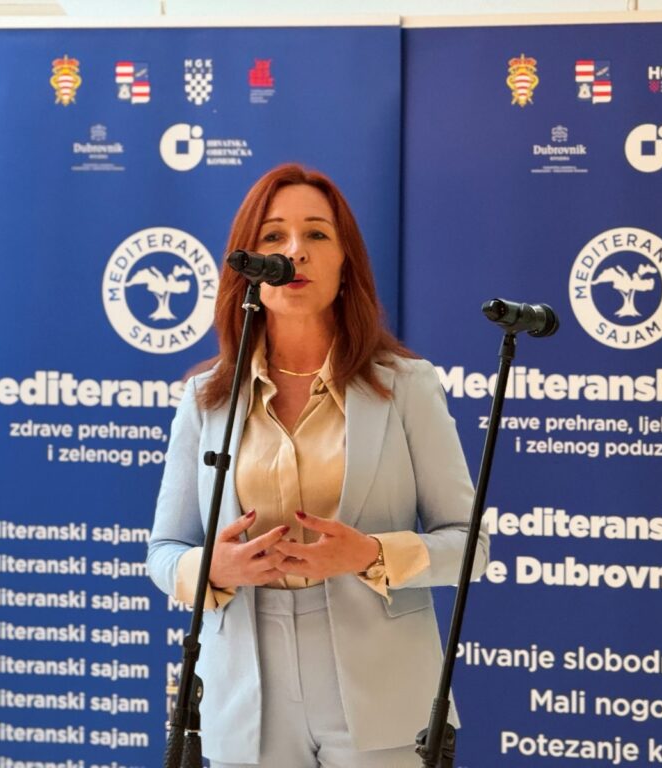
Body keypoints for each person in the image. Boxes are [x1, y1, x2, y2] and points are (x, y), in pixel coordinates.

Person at [147, 163, 487, 768]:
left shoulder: (406, 386)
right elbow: (164, 551)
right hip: (244, 696)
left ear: (345, 262)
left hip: (382, 688)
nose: (294, 251)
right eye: (273, 236)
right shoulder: (206, 398)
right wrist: (213, 568)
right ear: (247, 264)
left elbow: (470, 546)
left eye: (316, 234)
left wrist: (371, 554)